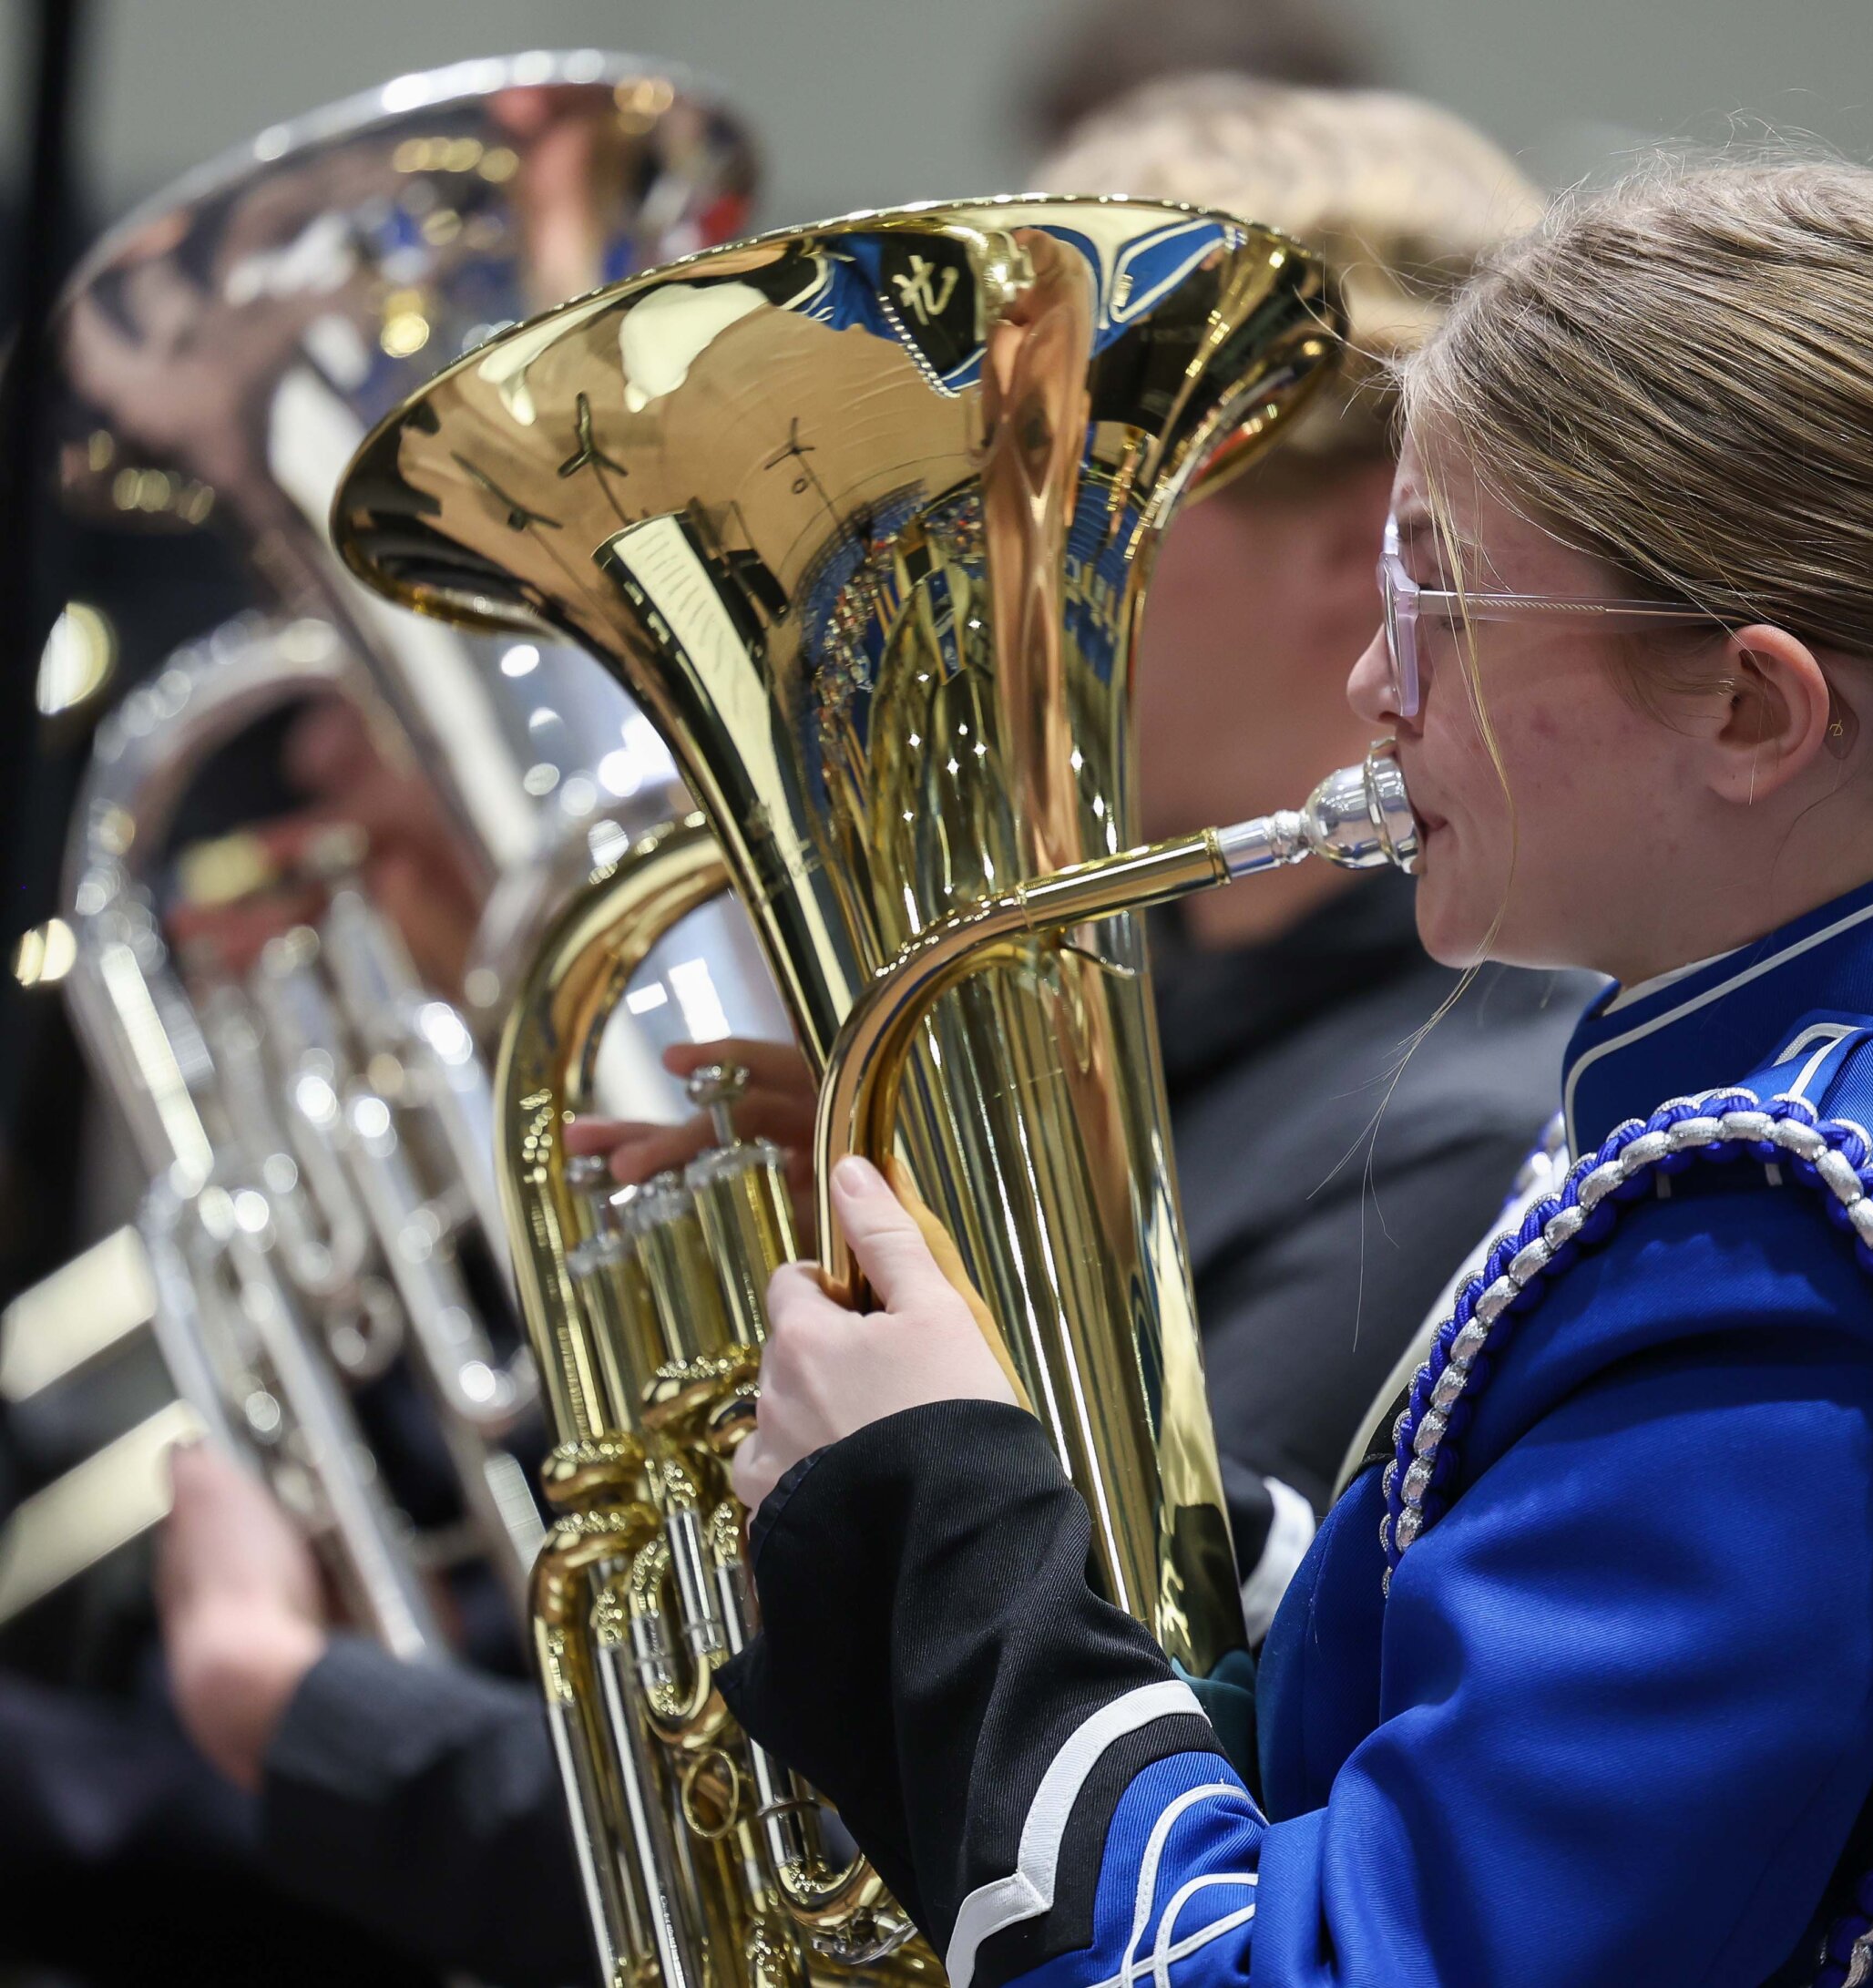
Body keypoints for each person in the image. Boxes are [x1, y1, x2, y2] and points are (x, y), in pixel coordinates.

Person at [715, 156, 1873, 1985]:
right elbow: (1493, 1690)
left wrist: (944, 1518)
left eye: (1443, 596)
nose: (1372, 683)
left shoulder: (1788, 1279)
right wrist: (1036, 1404)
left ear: (1750, 709)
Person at [153, 79, 1589, 1981]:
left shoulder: (1449, 1118)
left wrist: (295, 1710)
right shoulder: (1129, 1027)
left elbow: (1009, 1794)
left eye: (1043, 490)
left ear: (1352, 553)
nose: (899, 578)